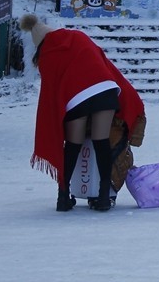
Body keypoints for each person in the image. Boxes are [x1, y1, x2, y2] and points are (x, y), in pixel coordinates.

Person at [20, 13, 145, 212]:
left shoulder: (48, 54)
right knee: (101, 140)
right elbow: (104, 62)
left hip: (76, 99)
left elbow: (51, 91)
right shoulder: (78, 37)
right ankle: (103, 196)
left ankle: (63, 196)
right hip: (105, 91)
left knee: (73, 144)